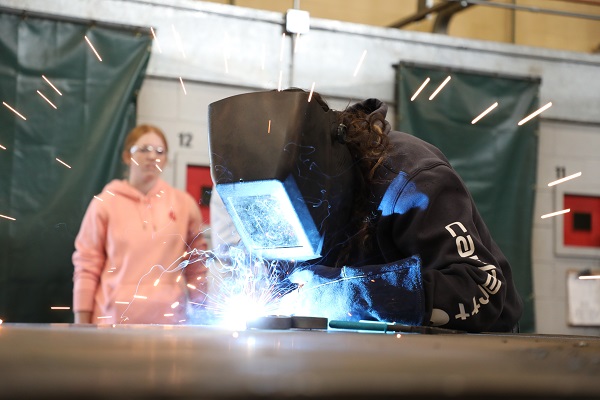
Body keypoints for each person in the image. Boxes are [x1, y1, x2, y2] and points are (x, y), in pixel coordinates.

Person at [208, 89, 523, 333]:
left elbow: (482, 289)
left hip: (478, 353)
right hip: (378, 347)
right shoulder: (280, 197)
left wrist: (346, 293)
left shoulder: (410, 178)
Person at [72, 124, 208, 324]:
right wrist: (81, 319)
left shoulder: (184, 204)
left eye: (159, 151)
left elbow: (197, 266)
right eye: (143, 149)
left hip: (168, 326)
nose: (152, 156)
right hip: (112, 324)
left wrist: (202, 314)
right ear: (127, 157)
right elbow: (87, 264)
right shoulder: (104, 204)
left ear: (165, 160)